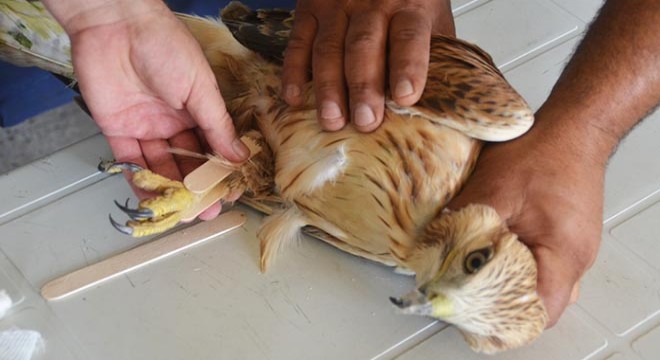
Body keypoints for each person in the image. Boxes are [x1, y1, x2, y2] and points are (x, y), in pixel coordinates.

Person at [41, 0, 659, 328]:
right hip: (299, 34)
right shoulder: (489, 118)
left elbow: (277, 189)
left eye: (436, 298)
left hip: (152, 59)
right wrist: (583, 132)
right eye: (470, 265)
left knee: (53, 46)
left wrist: (104, 14)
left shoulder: (401, 251)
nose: (428, 281)